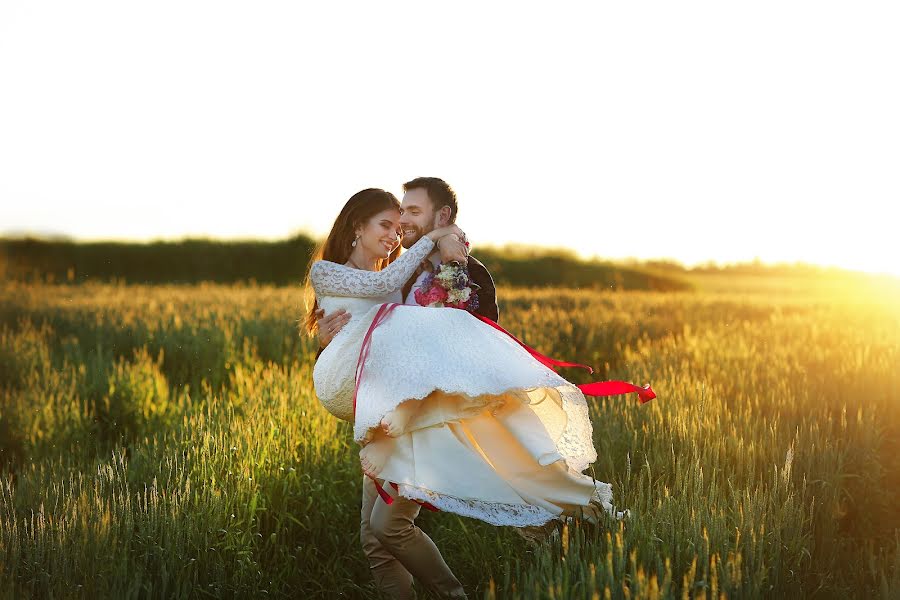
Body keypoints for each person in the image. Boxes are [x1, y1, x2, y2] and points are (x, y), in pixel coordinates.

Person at [304, 183, 654, 599]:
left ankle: (481, 580)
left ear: (443, 216)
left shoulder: (465, 273)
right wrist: (327, 343)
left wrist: (446, 247)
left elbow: (479, 342)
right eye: (394, 221)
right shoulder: (390, 276)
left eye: (411, 215)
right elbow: (364, 340)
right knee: (375, 537)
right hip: (381, 412)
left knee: (391, 525)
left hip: (425, 418)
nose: (401, 231)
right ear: (357, 227)